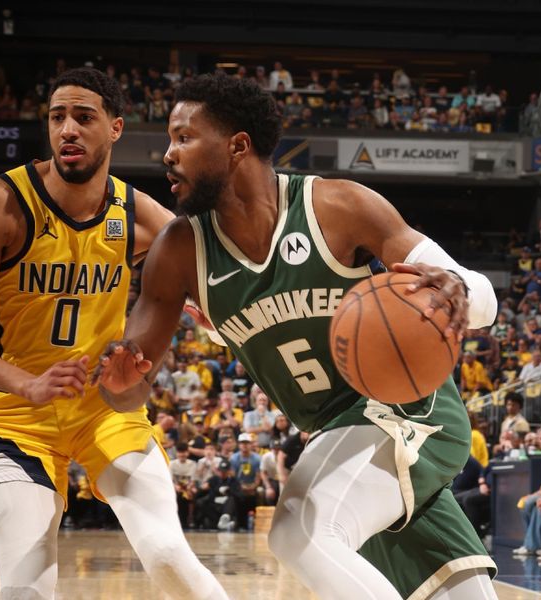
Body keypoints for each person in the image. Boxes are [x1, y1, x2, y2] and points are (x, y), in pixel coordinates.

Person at [96, 73, 499, 599]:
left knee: (300, 529)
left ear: (238, 145)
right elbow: (132, 385)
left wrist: (457, 291)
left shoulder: (337, 207)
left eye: (184, 138)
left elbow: (480, 297)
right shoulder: (179, 251)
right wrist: (121, 383)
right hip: (341, 439)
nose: (167, 154)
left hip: (408, 412)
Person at [0, 68, 227, 599]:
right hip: (21, 421)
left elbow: (213, 292)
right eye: (57, 117)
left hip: (105, 411)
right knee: (27, 589)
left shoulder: (137, 213)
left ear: (114, 128)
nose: (67, 129)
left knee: (167, 555)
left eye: (83, 118)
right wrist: (27, 385)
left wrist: (214, 317)